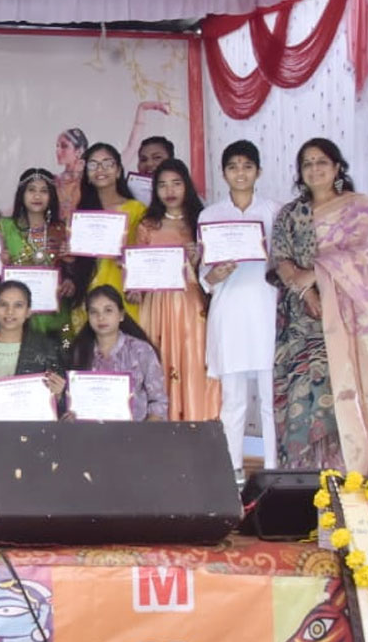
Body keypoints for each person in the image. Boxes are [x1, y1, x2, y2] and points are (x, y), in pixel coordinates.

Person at [270, 139, 368, 475]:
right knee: (303, 395)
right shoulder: (290, 213)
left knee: (341, 392)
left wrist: (317, 273)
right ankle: (306, 474)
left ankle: (352, 470)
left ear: (337, 168)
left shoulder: (360, 208)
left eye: (321, 161)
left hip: (351, 319)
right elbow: (281, 260)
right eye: (307, 163)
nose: (314, 169)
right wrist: (307, 291)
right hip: (303, 322)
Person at [199, 140, 280, 479]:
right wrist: (214, 275)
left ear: (258, 171)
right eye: (233, 167)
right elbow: (205, 275)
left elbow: (285, 264)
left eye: (247, 166)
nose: (240, 173)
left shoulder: (275, 211)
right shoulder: (210, 216)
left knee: (271, 400)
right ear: (224, 173)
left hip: (266, 312)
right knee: (233, 400)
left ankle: (274, 471)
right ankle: (233, 472)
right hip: (229, 314)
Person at [131, 159, 219, 421]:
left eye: (176, 183)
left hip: (191, 305)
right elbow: (138, 274)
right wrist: (134, 290)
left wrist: (197, 260)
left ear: (187, 186)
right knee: (158, 362)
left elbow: (212, 273)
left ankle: (195, 424)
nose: (169, 191)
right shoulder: (147, 226)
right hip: (156, 306)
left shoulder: (201, 222)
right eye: (162, 185)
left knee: (193, 361)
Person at [0, 280, 65, 423]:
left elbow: (56, 403)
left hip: (33, 430)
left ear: (28, 311)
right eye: (3, 304)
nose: (10, 312)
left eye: (18, 305)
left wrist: (58, 393)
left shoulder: (45, 346)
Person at [0, 168, 77, 343]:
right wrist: (0, 263)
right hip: (16, 314)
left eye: (44, 191)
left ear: (51, 196)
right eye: (31, 190)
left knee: (63, 352)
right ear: (22, 194)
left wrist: (70, 281)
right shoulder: (4, 227)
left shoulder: (62, 229)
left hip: (56, 315)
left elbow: (72, 271)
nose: (37, 196)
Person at [66, 286, 167, 421]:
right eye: (94, 312)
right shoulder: (79, 351)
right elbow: (73, 401)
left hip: (135, 430)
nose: (101, 317)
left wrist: (145, 431)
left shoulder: (141, 350)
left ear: (121, 315)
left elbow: (158, 402)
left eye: (108, 310)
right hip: (90, 431)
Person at [76, 142, 145, 324]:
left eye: (107, 163)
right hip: (89, 289)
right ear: (87, 174)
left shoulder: (137, 210)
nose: (100, 169)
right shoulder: (81, 214)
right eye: (93, 165)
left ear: (119, 170)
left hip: (122, 289)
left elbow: (143, 255)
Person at [53, 127, 88, 218]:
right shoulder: (54, 181)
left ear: (79, 151)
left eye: (64, 146)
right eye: (57, 146)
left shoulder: (89, 180)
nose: (58, 151)